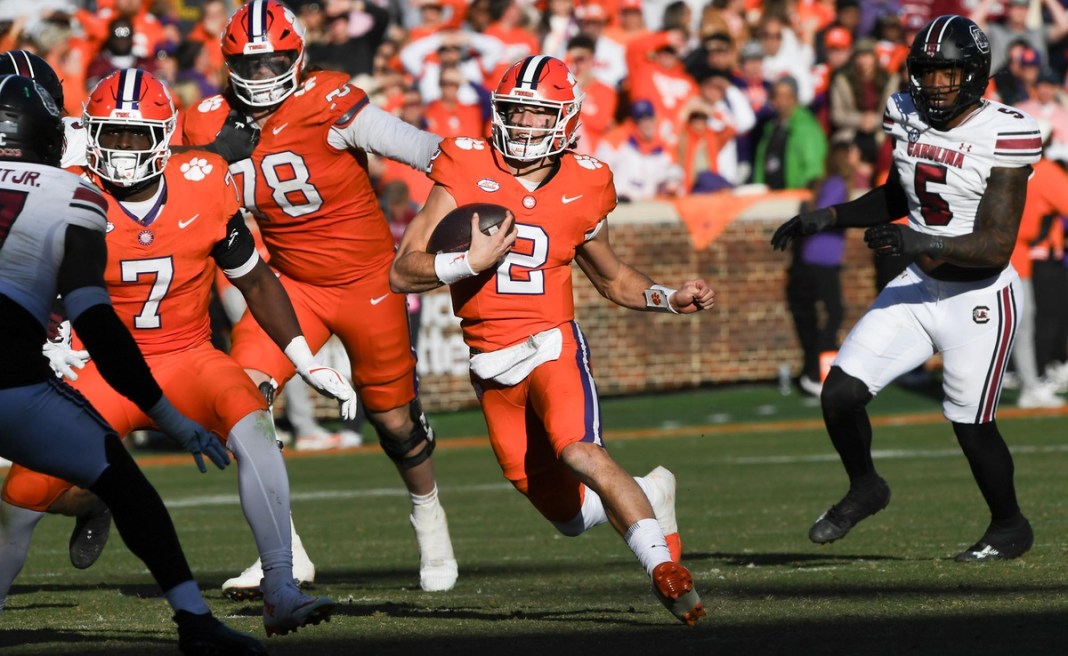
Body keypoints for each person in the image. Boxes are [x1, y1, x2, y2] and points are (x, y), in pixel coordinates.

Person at [0, 68, 355, 636]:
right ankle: (87, 507)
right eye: (109, 135)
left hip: (188, 355)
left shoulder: (205, 179)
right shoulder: (67, 189)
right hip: (100, 365)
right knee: (21, 497)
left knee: (254, 426)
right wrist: (51, 338)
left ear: (163, 135)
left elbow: (255, 278)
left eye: (134, 134)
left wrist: (304, 357)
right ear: (89, 134)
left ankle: (281, 587)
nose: (120, 148)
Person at [389, 55, 713, 625]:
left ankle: (664, 570)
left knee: (579, 450)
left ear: (564, 119)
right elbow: (402, 269)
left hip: (551, 342)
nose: (524, 124)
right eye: (514, 110)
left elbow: (610, 276)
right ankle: (649, 493)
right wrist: (466, 260)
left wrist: (667, 296)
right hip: (490, 361)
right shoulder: (464, 164)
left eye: (537, 114)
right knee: (565, 516)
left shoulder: (588, 180)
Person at [182, 0, 457, 596]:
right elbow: (167, 178)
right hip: (287, 286)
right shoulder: (206, 120)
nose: (259, 77)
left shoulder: (330, 99)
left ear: (297, 57)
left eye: (271, 62)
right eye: (247, 65)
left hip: (366, 284)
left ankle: (429, 518)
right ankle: (285, 552)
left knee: (394, 421)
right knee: (239, 401)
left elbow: (422, 148)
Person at [771, 16, 1040, 561]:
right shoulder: (905, 112)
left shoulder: (1007, 131)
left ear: (975, 72)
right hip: (920, 286)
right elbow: (902, 193)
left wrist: (917, 243)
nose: (937, 83)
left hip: (979, 295)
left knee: (970, 423)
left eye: (949, 72)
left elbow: (995, 245)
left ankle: (1009, 526)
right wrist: (829, 216)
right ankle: (866, 485)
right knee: (840, 393)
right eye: (928, 72)